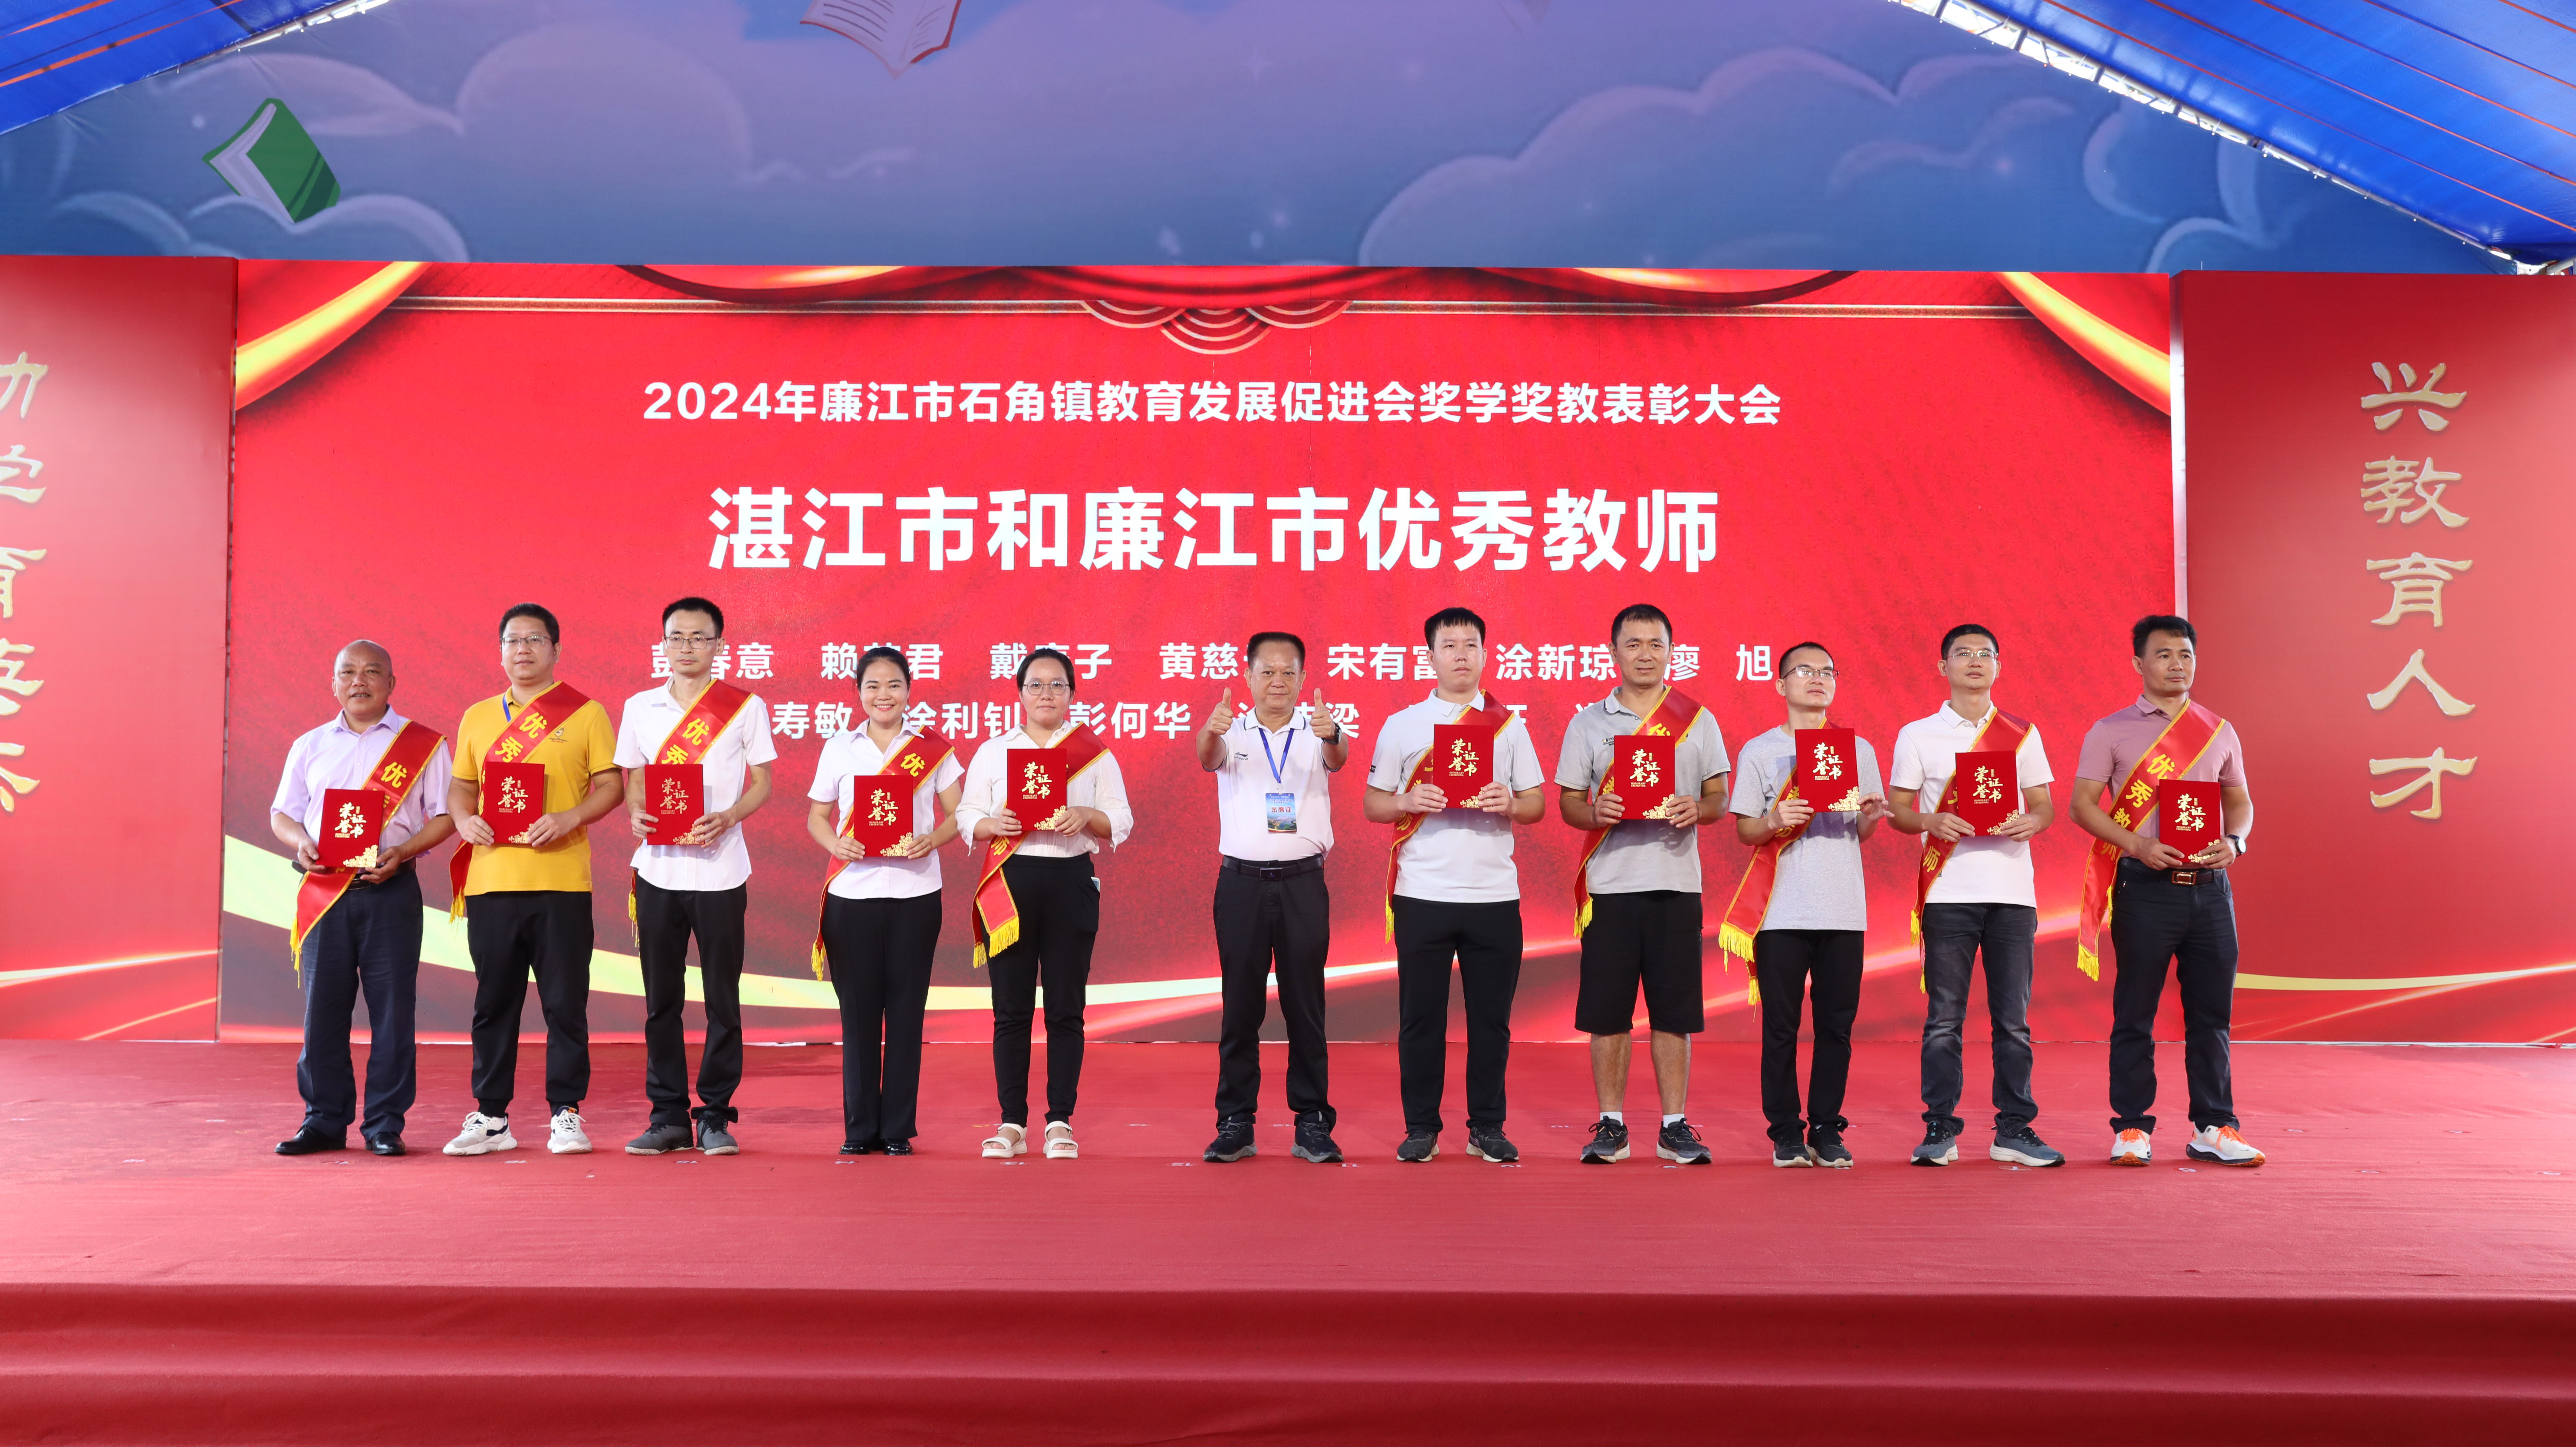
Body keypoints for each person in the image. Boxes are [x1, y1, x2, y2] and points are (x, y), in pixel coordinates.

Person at [2069, 615, 2261, 1168]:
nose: (2178, 665)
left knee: (2212, 1015)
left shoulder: (2219, 729)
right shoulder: (2111, 731)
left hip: (2211, 889)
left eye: (2186, 655)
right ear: (2139, 663)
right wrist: (2136, 844)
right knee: (2136, 1011)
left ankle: (2214, 1126)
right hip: (2146, 887)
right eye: (2164, 655)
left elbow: (2240, 800)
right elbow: (2082, 806)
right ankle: (2132, 1126)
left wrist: (2236, 841)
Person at [1363, 606, 1546, 1165]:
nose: (1461, 655)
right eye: (1450, 646)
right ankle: (1421, 1126)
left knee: (1492, 1022)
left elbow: (1536, 804)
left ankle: (1487, 1127)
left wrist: (1510, 803)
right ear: (1431, 656)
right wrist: (1406, 799)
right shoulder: (1403, 725)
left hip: (1494, 896)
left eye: (1471, 645)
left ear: (1486, 655)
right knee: (1421, 1019)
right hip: (1423, 893)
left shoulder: (1508, 726)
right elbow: (1373, 803)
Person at [440, 603, 623, 1158]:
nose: (523, 649)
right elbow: (461, 787)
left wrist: (569, 818)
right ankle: (492, 1116)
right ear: (501, 652)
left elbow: (611, 786)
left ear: (556, 650)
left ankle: (566, 1113)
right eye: (513, 640)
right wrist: (464, 819)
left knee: (564, 1003)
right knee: (494, 1003)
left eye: (535, 640)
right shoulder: (477, 717)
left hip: (561, 882)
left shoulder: (586, 713)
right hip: (491, 882)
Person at [1554, 604, 1729, 1166]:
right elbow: (1569, 804)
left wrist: (1697, 808)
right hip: (1610, 888)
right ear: (1614, 652)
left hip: (1676, 884)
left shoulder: (1697, 720)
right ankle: (1611, 1124)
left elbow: (1719, 799)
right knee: (1608, 1013)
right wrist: (1595, 811)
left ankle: (1674, 1126)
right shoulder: (1588, 723)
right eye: (1633, 644)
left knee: (1674, 1012)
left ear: (1672, 651)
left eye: (1656, 644)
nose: (1645, 654)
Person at [1886, 624, 2063, 1168]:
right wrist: (1930, 821)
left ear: (1998, 666)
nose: (1975, 661)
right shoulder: (1918, 734)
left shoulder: (2021, 733)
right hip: (1948, 893)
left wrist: (2031, 822)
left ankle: (2014, 1129)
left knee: (2014, 1022)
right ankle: (1940, 1125)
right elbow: (1898, 811)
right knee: (1944, 1019)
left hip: (2012, 894)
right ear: (1944, 667)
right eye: (1963, 654)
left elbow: (2044, 805)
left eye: (1985, 653)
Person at [269, 640, 455, 1157]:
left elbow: (445, 817)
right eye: (348, 672)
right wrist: (301, 842)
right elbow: (283, 814)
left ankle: (384, 1124)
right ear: (334, 683)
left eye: (372, 672)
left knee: (393, 1012)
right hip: (324, 891)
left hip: (390, 890)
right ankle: (323, 1121)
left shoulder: (424, 744)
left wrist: (402, 852)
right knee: (322, 1012)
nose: (359, 681)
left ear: (391, 684)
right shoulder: (310, 745)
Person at [955, 648, 1133, 1162]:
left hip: (1069, 881)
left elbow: (1121, 820)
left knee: (1065, 1009)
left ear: (1072, 693)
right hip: (1010, 883)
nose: (1047, 694)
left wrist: (1087, 815)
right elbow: (967, 815)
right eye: (1036, 685)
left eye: (1058, 685)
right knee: (1011, 1011)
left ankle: (1060, 1121)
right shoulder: (994, 751)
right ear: (1020, 693)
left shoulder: (1094, 753)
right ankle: (1012, 1122)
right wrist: (993, 824)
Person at [613, 597, 775, 1156]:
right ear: (663, 644)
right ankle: (668, 1116)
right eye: (677, 637)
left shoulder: (745, 707)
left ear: (719, 645)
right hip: (657, 870)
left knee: (722, 999)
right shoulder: (641, 706)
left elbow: (763, 782)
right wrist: (636, 813)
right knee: (662, 1000)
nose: (687, 647)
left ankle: (715, 1114)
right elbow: (634, 779)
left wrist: (729, 816)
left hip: (722, 869)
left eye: (699, 638)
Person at [1723, 641, 1887, 1168]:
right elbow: (1747, 830)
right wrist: (1775, 819)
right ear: (1780, 685)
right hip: (1782, 911)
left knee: (1836, 1027)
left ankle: (1827, 1129)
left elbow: (1860, 831)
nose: (1818, 679)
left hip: (1843, 908)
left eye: (1827, 672)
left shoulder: (1856, 750)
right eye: (1804, 671)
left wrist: (1871, 816)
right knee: (1781, 1028)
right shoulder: (1759, 751)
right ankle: (1786, 1132)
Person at [1196, 632, 1348, 1165]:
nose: (1278, 682)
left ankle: (1313, 1122)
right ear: (1249, 677)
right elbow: (1207, 757)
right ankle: (1235, 1122)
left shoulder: (1318, 729)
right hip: (1241, 885)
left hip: (1303, 884)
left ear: (1303, 679)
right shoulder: (1231, 730)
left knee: (1306, 1007)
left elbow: (1339, 757)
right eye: (1267, 672)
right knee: (1240, 1008)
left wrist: (1334, 734)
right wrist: (1210, 731)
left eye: (1288, 672)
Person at [807, 645, 962, 1156]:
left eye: (894, 685)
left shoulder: (932, 748)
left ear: (909, 691)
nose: (884, 695)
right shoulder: (839, 748)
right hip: (852, 897)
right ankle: (859, 1129)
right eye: (873, 685)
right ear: (858, 692)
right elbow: (817, 817)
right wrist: (837, 845)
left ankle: (896, 1129)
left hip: (916, 895)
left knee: (906, 1014)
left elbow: (958, 815)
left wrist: (931, 840)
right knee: (858, 1016)